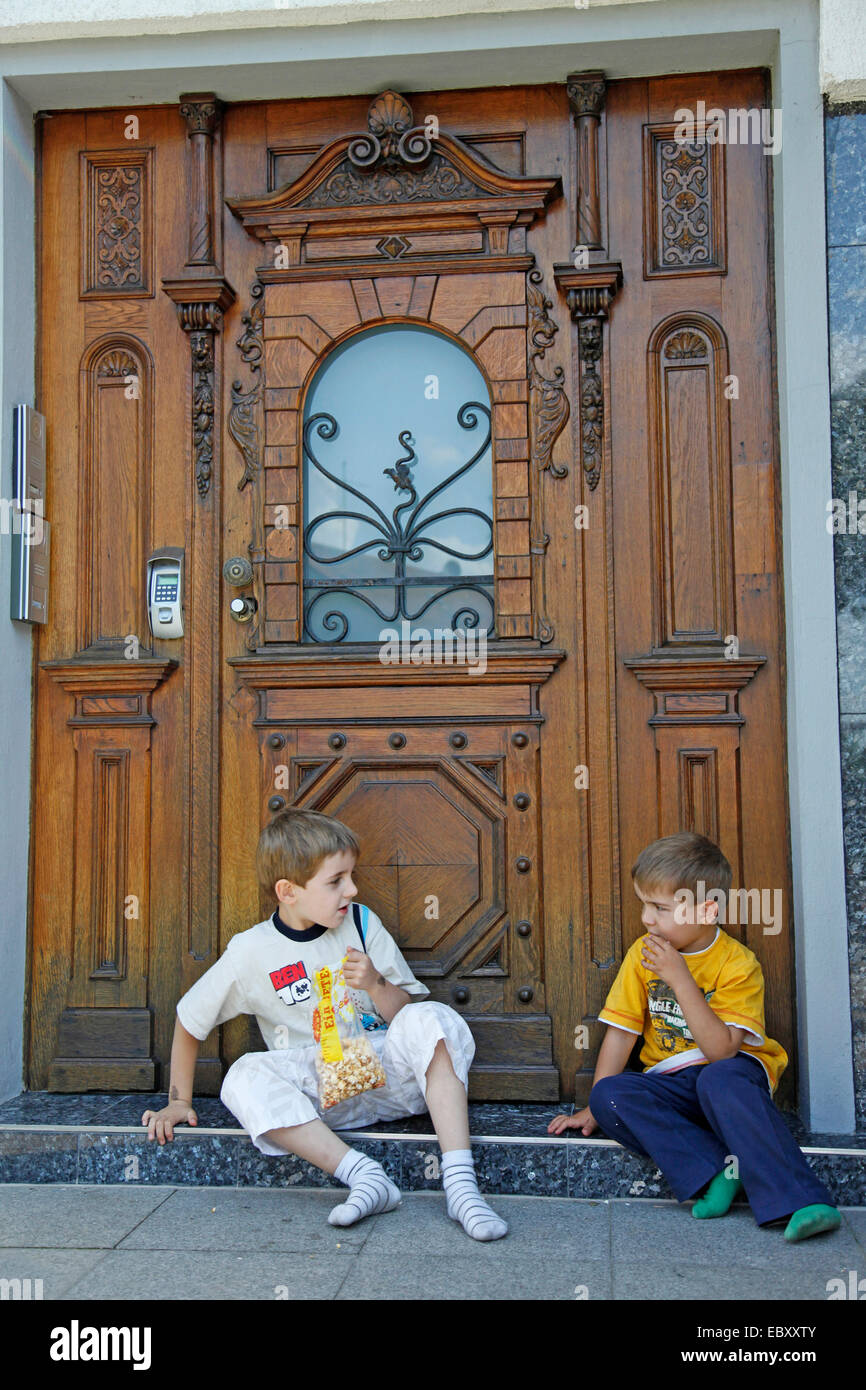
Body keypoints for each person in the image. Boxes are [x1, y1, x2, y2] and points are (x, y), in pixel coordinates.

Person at [142, 807, 507, 1241]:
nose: (351, 889)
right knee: (241, 1075)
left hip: (389, 1079)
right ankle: (365, 1177)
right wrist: (179, 1101)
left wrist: (375, 983)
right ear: (288, 891)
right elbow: (190, 1019)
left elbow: (405, 1015)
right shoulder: (251, 952)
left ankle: (461, 1187)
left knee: (434, 1017)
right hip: (318, 1099)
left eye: (351, 876)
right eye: (336, 881)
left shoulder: (362, 922)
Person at [548, 831, 841, 1242]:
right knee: (609, 1094)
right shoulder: (642, 955)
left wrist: (680, 979)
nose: (647, 918)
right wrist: (595, 1107)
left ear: (706, 911)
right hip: (674, 1087)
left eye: (660, 908)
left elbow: (722, 1052)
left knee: (718, 1079)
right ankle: (719, 1171)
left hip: (731, 1083)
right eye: (644, 904)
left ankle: (804, 1200)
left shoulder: (737, 964)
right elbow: (621, 1034)